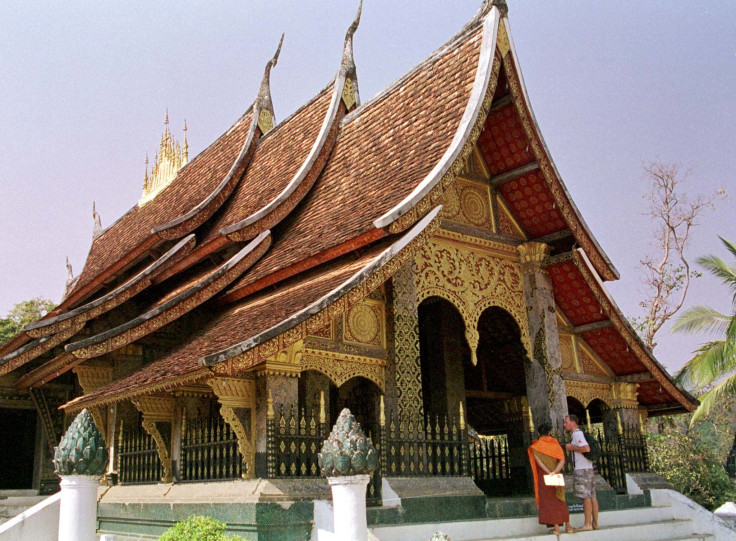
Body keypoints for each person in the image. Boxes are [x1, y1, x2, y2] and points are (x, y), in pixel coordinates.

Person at [528, 422, 572, 535]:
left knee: (549, 500)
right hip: (556, 474)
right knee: (561, 498)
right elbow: (562, 460)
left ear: (538, 433)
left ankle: (556, 527)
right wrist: (555, 471)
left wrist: (549, 472)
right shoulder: (555, 444)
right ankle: (568, 526)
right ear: (549, 433)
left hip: (545, 476)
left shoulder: (536, 447)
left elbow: (539, 462)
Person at [564, 414, 599, 532]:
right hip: (588, 468)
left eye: (566, 422)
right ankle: (595, 523)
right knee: (592, 496)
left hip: (582, 469)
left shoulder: (577, 434)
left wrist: (572, 447)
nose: (565, 425)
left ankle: (587, 524)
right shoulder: (579, 434)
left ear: (573, 423)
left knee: (585, 497)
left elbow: (586, 448)